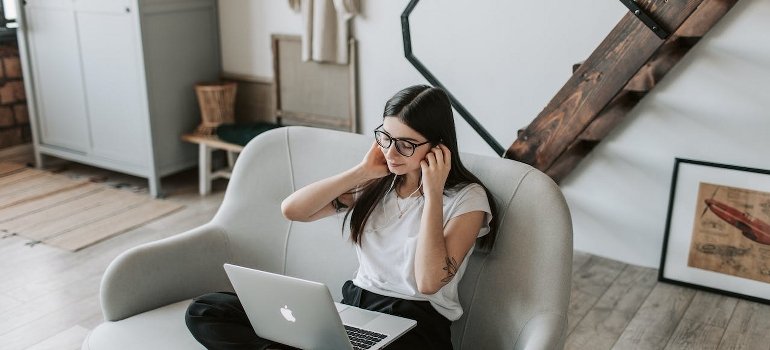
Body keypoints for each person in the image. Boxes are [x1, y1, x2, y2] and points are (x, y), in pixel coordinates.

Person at [185, 85, 498, 349]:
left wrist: (432, 193)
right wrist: (362, 171)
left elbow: (429, 282)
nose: (390, 152)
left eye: (406, 145)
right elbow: (293, 210)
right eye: (385, 137)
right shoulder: (378, 185)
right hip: (354, 309)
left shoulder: (467, 198)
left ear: (438, 148)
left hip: (417, 327)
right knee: (206, 309)